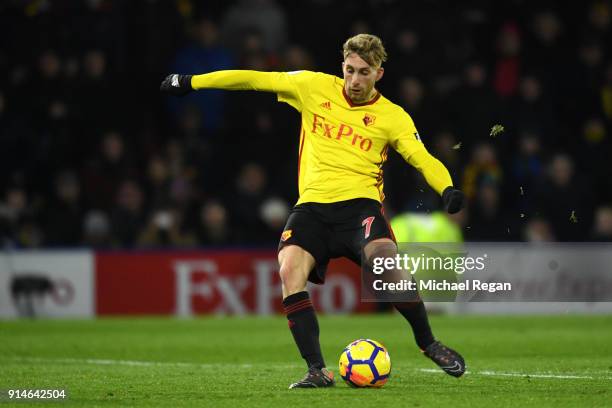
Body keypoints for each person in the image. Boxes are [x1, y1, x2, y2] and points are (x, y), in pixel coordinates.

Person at [161, 33, 466, 388]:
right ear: (342, 66)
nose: (354, 80)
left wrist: (447, 188)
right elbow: (253, 79)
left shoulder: (392, 116)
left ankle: (428, 343)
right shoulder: (312, 86)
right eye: (349, 70)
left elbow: (422, 158)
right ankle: (317, 370)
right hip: (312, 209)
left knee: (386, 270)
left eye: (364, 72)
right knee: (290, 269)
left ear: (379, 73)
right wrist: (191, 82)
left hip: (360, 209)